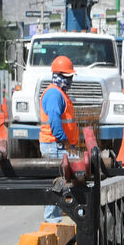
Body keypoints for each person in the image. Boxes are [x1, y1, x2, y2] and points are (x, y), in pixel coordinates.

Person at [39, 55, 79, 222]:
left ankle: (58, 218)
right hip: (56, 145)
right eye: (67, 77)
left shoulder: (59, 93)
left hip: (59, 144)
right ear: (58, 76)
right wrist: (65, 142)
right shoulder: (55, 94)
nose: (69, 81)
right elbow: (55, 123)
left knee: (63, 183)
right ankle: (52, 222)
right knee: (57, 185)